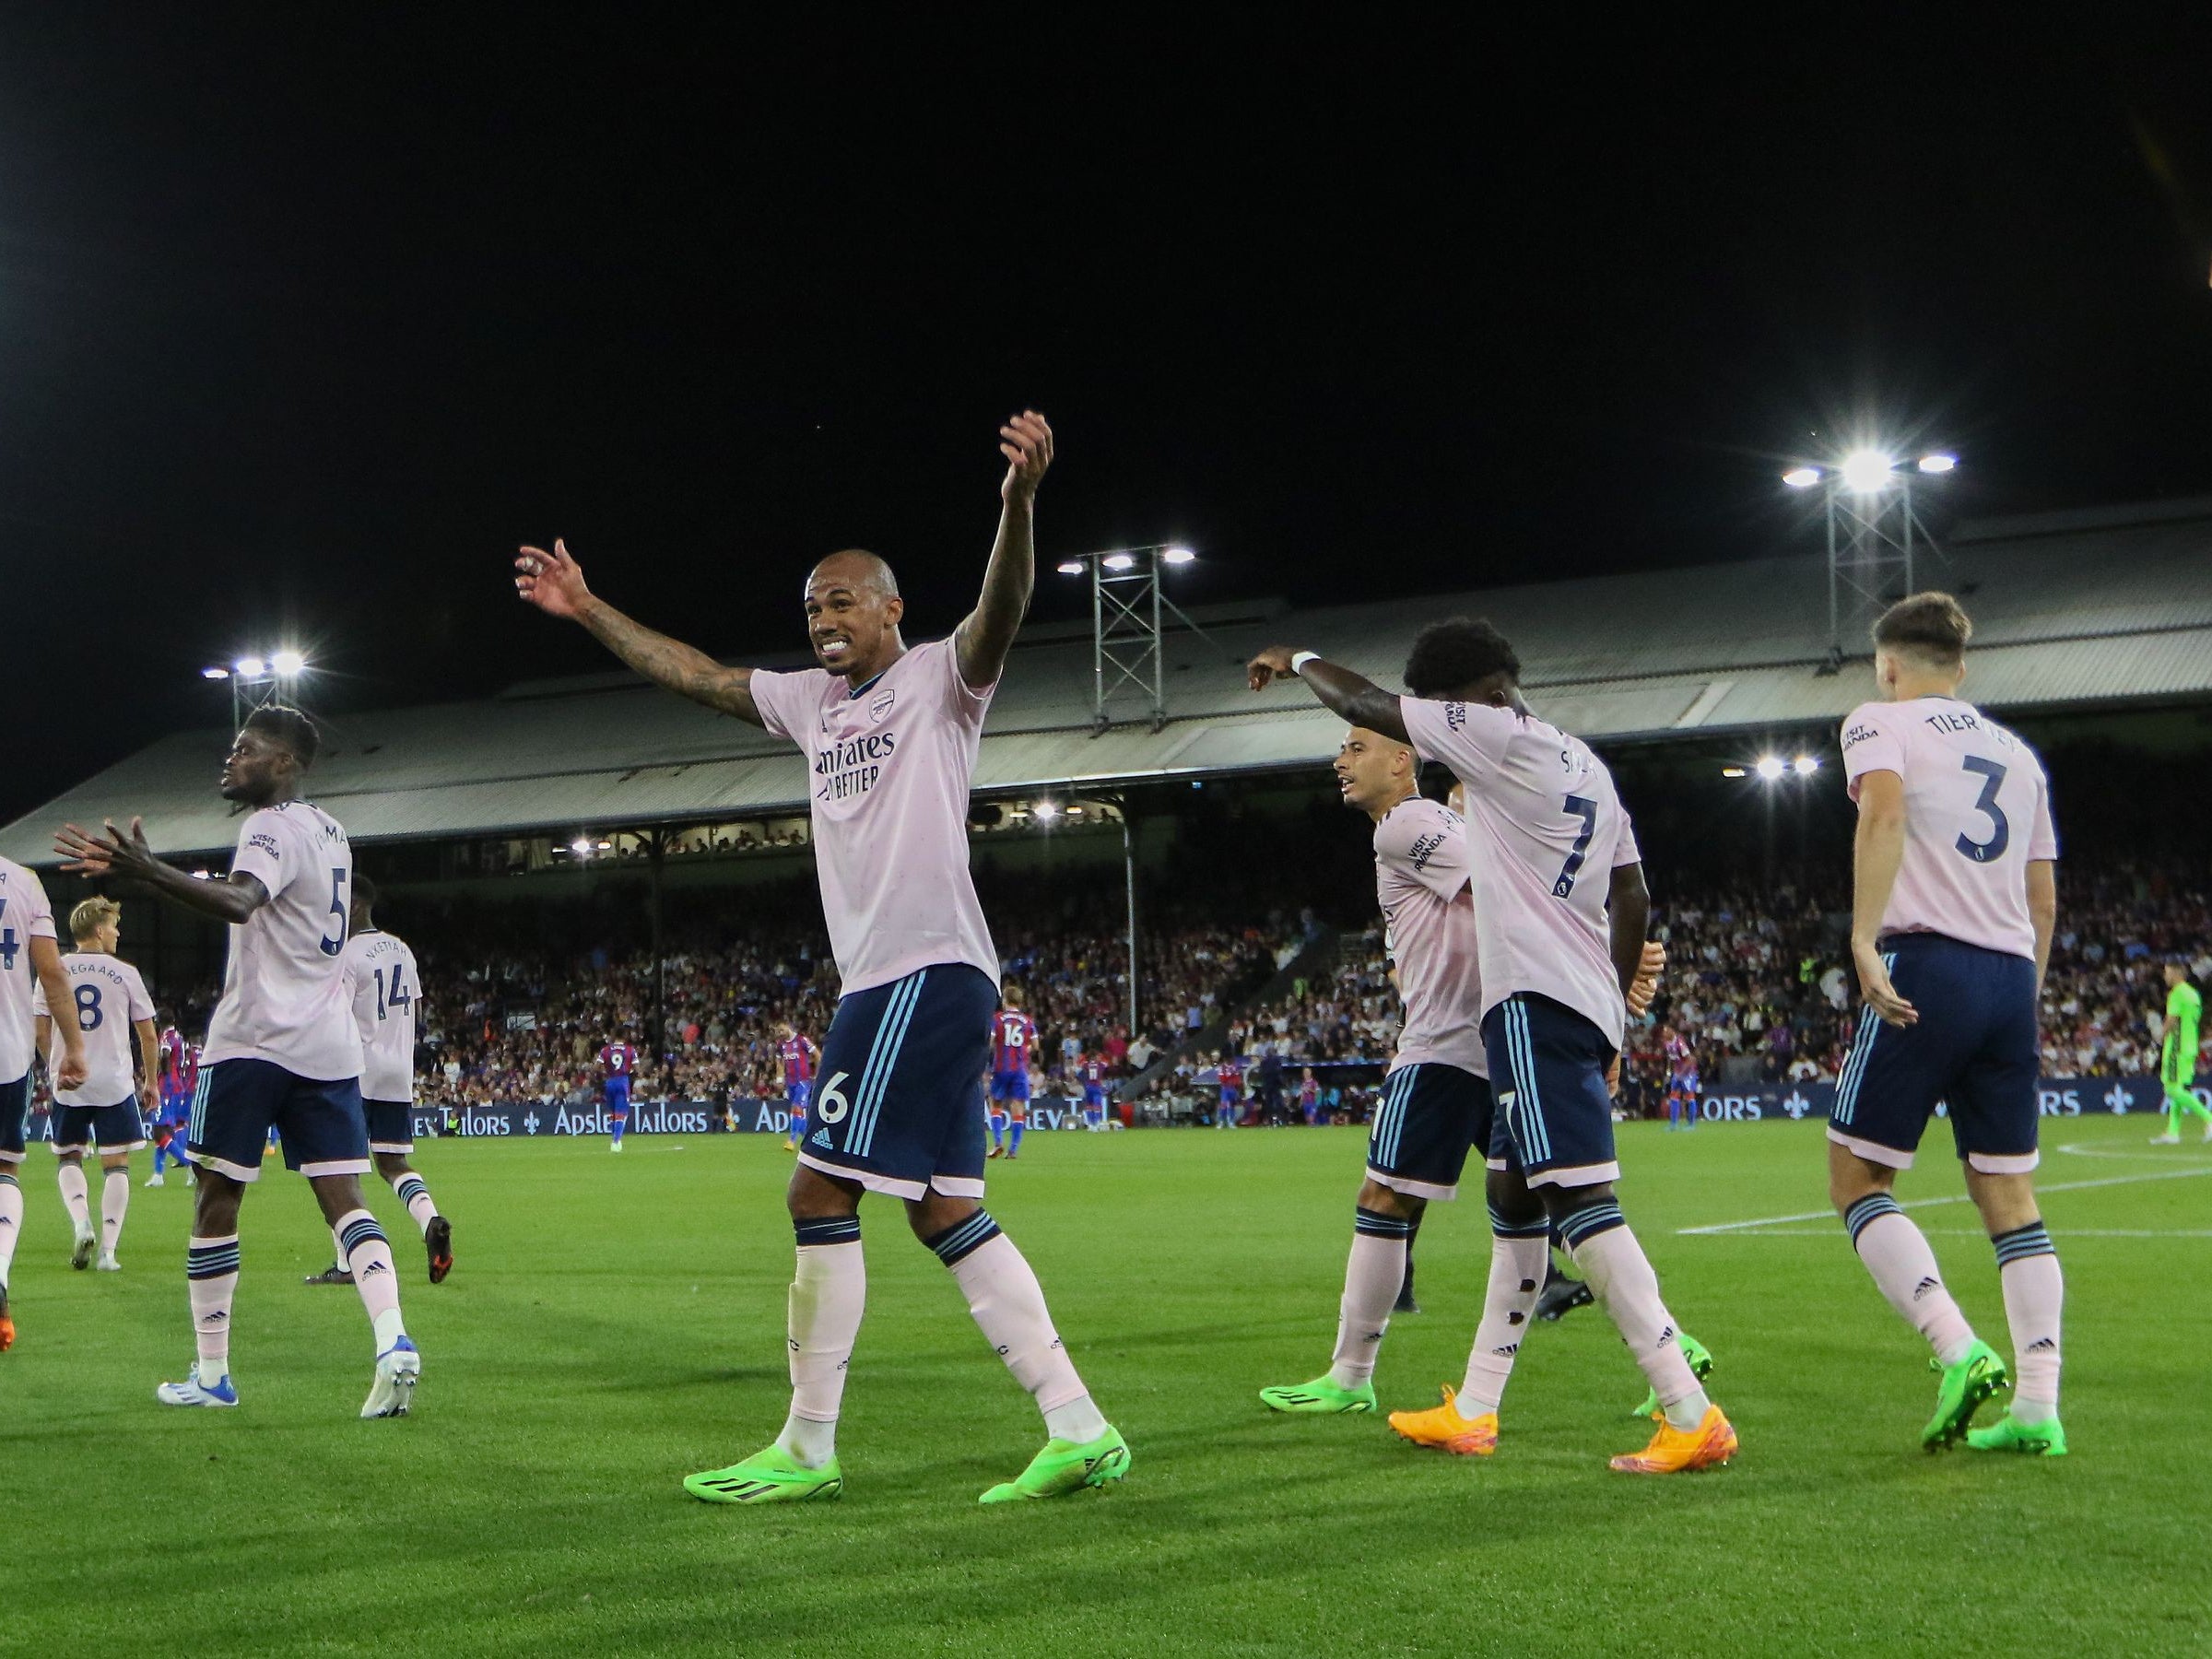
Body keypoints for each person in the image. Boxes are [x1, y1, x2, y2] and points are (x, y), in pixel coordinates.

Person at [515, 409, 1127, 1505]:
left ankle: (807, 1444)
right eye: (811, 605)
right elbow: (695, 672)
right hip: (913, 979)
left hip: (918, 971)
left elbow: (1005, 610)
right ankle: (1078, 1426)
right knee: (942, 1208)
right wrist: (585, 606)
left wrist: (1019, 502)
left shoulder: (942, 678)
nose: (823, 617)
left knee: (815, 1192)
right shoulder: (808, 705)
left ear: (893, 607)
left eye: (843, 599)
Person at [1248, 618, 1735, 1474]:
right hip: (1575, 999)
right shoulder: (1583, 760)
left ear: (1464, 699)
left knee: (1579, 1205)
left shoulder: (1490, 736)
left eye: (1433, 714)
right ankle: (1474, 1407)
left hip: (1528, 1004)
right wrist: (1618, 1002)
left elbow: (1369, 702)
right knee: (1515, 1202)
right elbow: (1631, 891)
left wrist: (1299, 659)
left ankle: (1686, 1406)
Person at [54, 705, 420, 1417]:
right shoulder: (332, 830)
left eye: (245, 748)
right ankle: (393, 1338)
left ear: (284, 763)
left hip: (254, 1042)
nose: (230, 757)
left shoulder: (268, 826)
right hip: (329, 1046)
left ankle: (214, 1374)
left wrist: (148, 869)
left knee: (216, 1200)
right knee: (345, 1201)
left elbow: (241, 900)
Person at [1829, 593, 2065, 1456]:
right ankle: (2039, 1406)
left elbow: (1882, 813)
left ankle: (1957, 1347)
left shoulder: (1878, 721)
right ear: (1960, 670)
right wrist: (2019, 996)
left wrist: (1861, 937)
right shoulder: (2020, 755)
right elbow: (2043, 899)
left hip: (1928, 965)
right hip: (2010, 976)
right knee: (2009, 1194)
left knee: (1857, 1179)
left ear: (1888, 665)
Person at [309, 876, 453, 1286]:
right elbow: (419, 1011)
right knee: (393, 1163)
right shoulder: (403, 951)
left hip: (357, 1070)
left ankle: (346, 1264)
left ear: (352, 906)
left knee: (337, 1167)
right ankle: (430, 1220)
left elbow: (335, 1017)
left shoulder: (348, 954)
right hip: (398, 1071)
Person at [31, 898, 157, 1272]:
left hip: (71, 1081)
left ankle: (81, 1222)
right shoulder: (125, 973)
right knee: (115, 1165)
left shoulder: (54, 970)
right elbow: (148, 1036)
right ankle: (108, 1253)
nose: (117, 932)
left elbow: (40, 1027)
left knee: (68, 1156)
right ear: (99, 931)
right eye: (114, 926)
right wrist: (150, 1080)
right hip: (114, 1082)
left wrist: (59, 1065)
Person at [1, 855, 91, 1350]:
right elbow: (52, 974)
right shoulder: (23, 881)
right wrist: (73, 1048)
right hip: (5, 1051)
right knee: (4, 1169)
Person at [2150, 960, 2207, 1144]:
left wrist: (2159, 1035)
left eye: (2167, 973)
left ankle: (2209, 1119)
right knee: (2178, 1089)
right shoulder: (2193, 994)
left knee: (2172, 1089)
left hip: (2177, 1046)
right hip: (2190, 1044)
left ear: (2176, 973)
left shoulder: (2177, 994)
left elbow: (2172, 1020)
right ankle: (2173, 1132)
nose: (2165, 976)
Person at [987, 990, 1036, 1159]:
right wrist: (1024, 1050)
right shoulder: (1028, 1021)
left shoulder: (997, 1019)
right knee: (1018, 1108)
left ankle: (998, 1142)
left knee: (995, 1104)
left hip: (1001, 1067)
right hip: (1019, 1069)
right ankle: (1013, 1149)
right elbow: (1035, 1045)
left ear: (1005, 1001)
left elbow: (990, 1042)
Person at [149, 1026, 199, 1187]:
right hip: (178, 1086)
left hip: (167, 1087)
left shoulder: (167, 1037)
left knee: (158, 1131)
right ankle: (158, 1175)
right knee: (167, 1131)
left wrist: (162, 1075)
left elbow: (165, 1055)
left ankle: (189, 1163)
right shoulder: (179, 1037)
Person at [779, 1023, 818, 1152]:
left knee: (797, 1108)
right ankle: (811, 1139)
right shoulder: (781, 1045)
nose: (780, 1033)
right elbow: (779, 1062)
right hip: (790, 1082)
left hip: (803, 1081)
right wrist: (779, 1078)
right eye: (778, 1031)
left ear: (789, 1027)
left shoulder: (801, 1040)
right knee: (798, 1112)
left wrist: (818, 1074)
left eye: (781, 1030)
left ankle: (792, 1140)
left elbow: (818, 1055)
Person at [599, 1032, 639, 1151]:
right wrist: (629, 1070)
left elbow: (596, 1067)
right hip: (622, 1082)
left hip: (610, 1081)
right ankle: (616, 1142)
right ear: (624, 1038)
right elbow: (638, 1069)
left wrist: (606, 1070)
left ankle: (614, 1138)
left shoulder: (605, 1050)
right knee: (621, 1113)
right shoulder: (630, 1050)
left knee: (613, 1113)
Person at [1662, 1025, 1700, 1132]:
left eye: (1666, 1032)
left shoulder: (1680, 1043)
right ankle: (1673, 1124)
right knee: (1673, 1097)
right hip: (1678, 1072)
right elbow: (1671, 1059)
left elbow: (1690, 1060)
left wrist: (1682, 1074)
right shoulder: (1667, 1044)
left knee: (1690, 1098)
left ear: (1672, 1032)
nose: (1664, 1034)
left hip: (1688, 1073)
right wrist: (1669, 1073)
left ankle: (1691, 1125)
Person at [1078, 1052, 1110, 1132]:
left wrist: (1085, 1057)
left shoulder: (1086, 1064)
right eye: (1098, 1056)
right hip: (1097, 1086)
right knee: (1097, 1105)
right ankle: (1096, 1123)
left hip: (1088, 1086)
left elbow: (1080, 1063)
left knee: (1089, 1105)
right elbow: (1107, 1063)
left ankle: (1090, 1124)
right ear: (1096, 1057)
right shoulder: (1101, 1065)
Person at [1215, 1052, 1243, 1128]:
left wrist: (1236, 1083)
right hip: (1225, 1089)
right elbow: (1222, 1079)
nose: (1231, 1060)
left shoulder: (1235, 1067)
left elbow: (1238, 1079)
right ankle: (1221, 1121)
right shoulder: (1222, 1068)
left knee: (1232, 1105)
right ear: (1225, 1059)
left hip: (1233, 1089)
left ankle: (1231, 1122)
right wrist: (1230, 1077)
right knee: (1223, 1104)